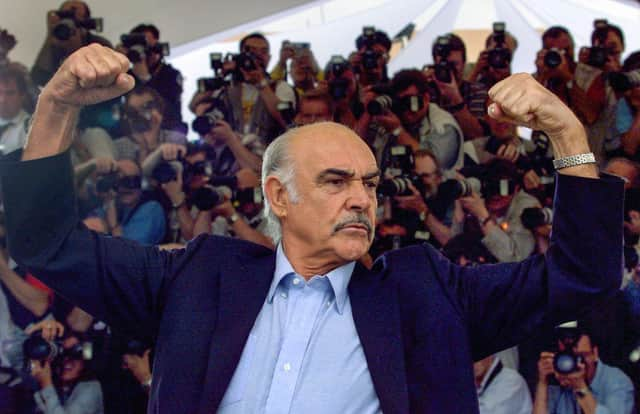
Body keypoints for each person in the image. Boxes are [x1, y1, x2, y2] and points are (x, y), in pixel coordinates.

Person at [0, 44, 624, 413]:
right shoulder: (197, 275)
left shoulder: (424, 290)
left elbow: (581, 276)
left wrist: (568, 133)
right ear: (279, 195)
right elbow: (46, 243)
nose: (362, 200)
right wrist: (54, 105)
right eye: (336, 181)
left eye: (371, 184)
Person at [533, 327, 635, 414]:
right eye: (567, 358)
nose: (575, 364)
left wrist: (580, 388)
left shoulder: (616, 381)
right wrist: (543, 382)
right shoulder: (558, 383)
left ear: (595, 353)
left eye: (581, 357)